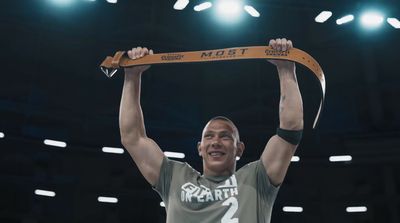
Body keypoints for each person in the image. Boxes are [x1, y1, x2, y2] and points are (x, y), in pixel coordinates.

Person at [119, 38, 303, 223]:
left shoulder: (257, 179)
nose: (215, 142)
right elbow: (132, 138)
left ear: (239, 148)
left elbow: (290, 130)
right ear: (200, 147)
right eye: (209, 136)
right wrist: (132, 77)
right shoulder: (175, 178)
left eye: (225, 137)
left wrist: (286, 70)